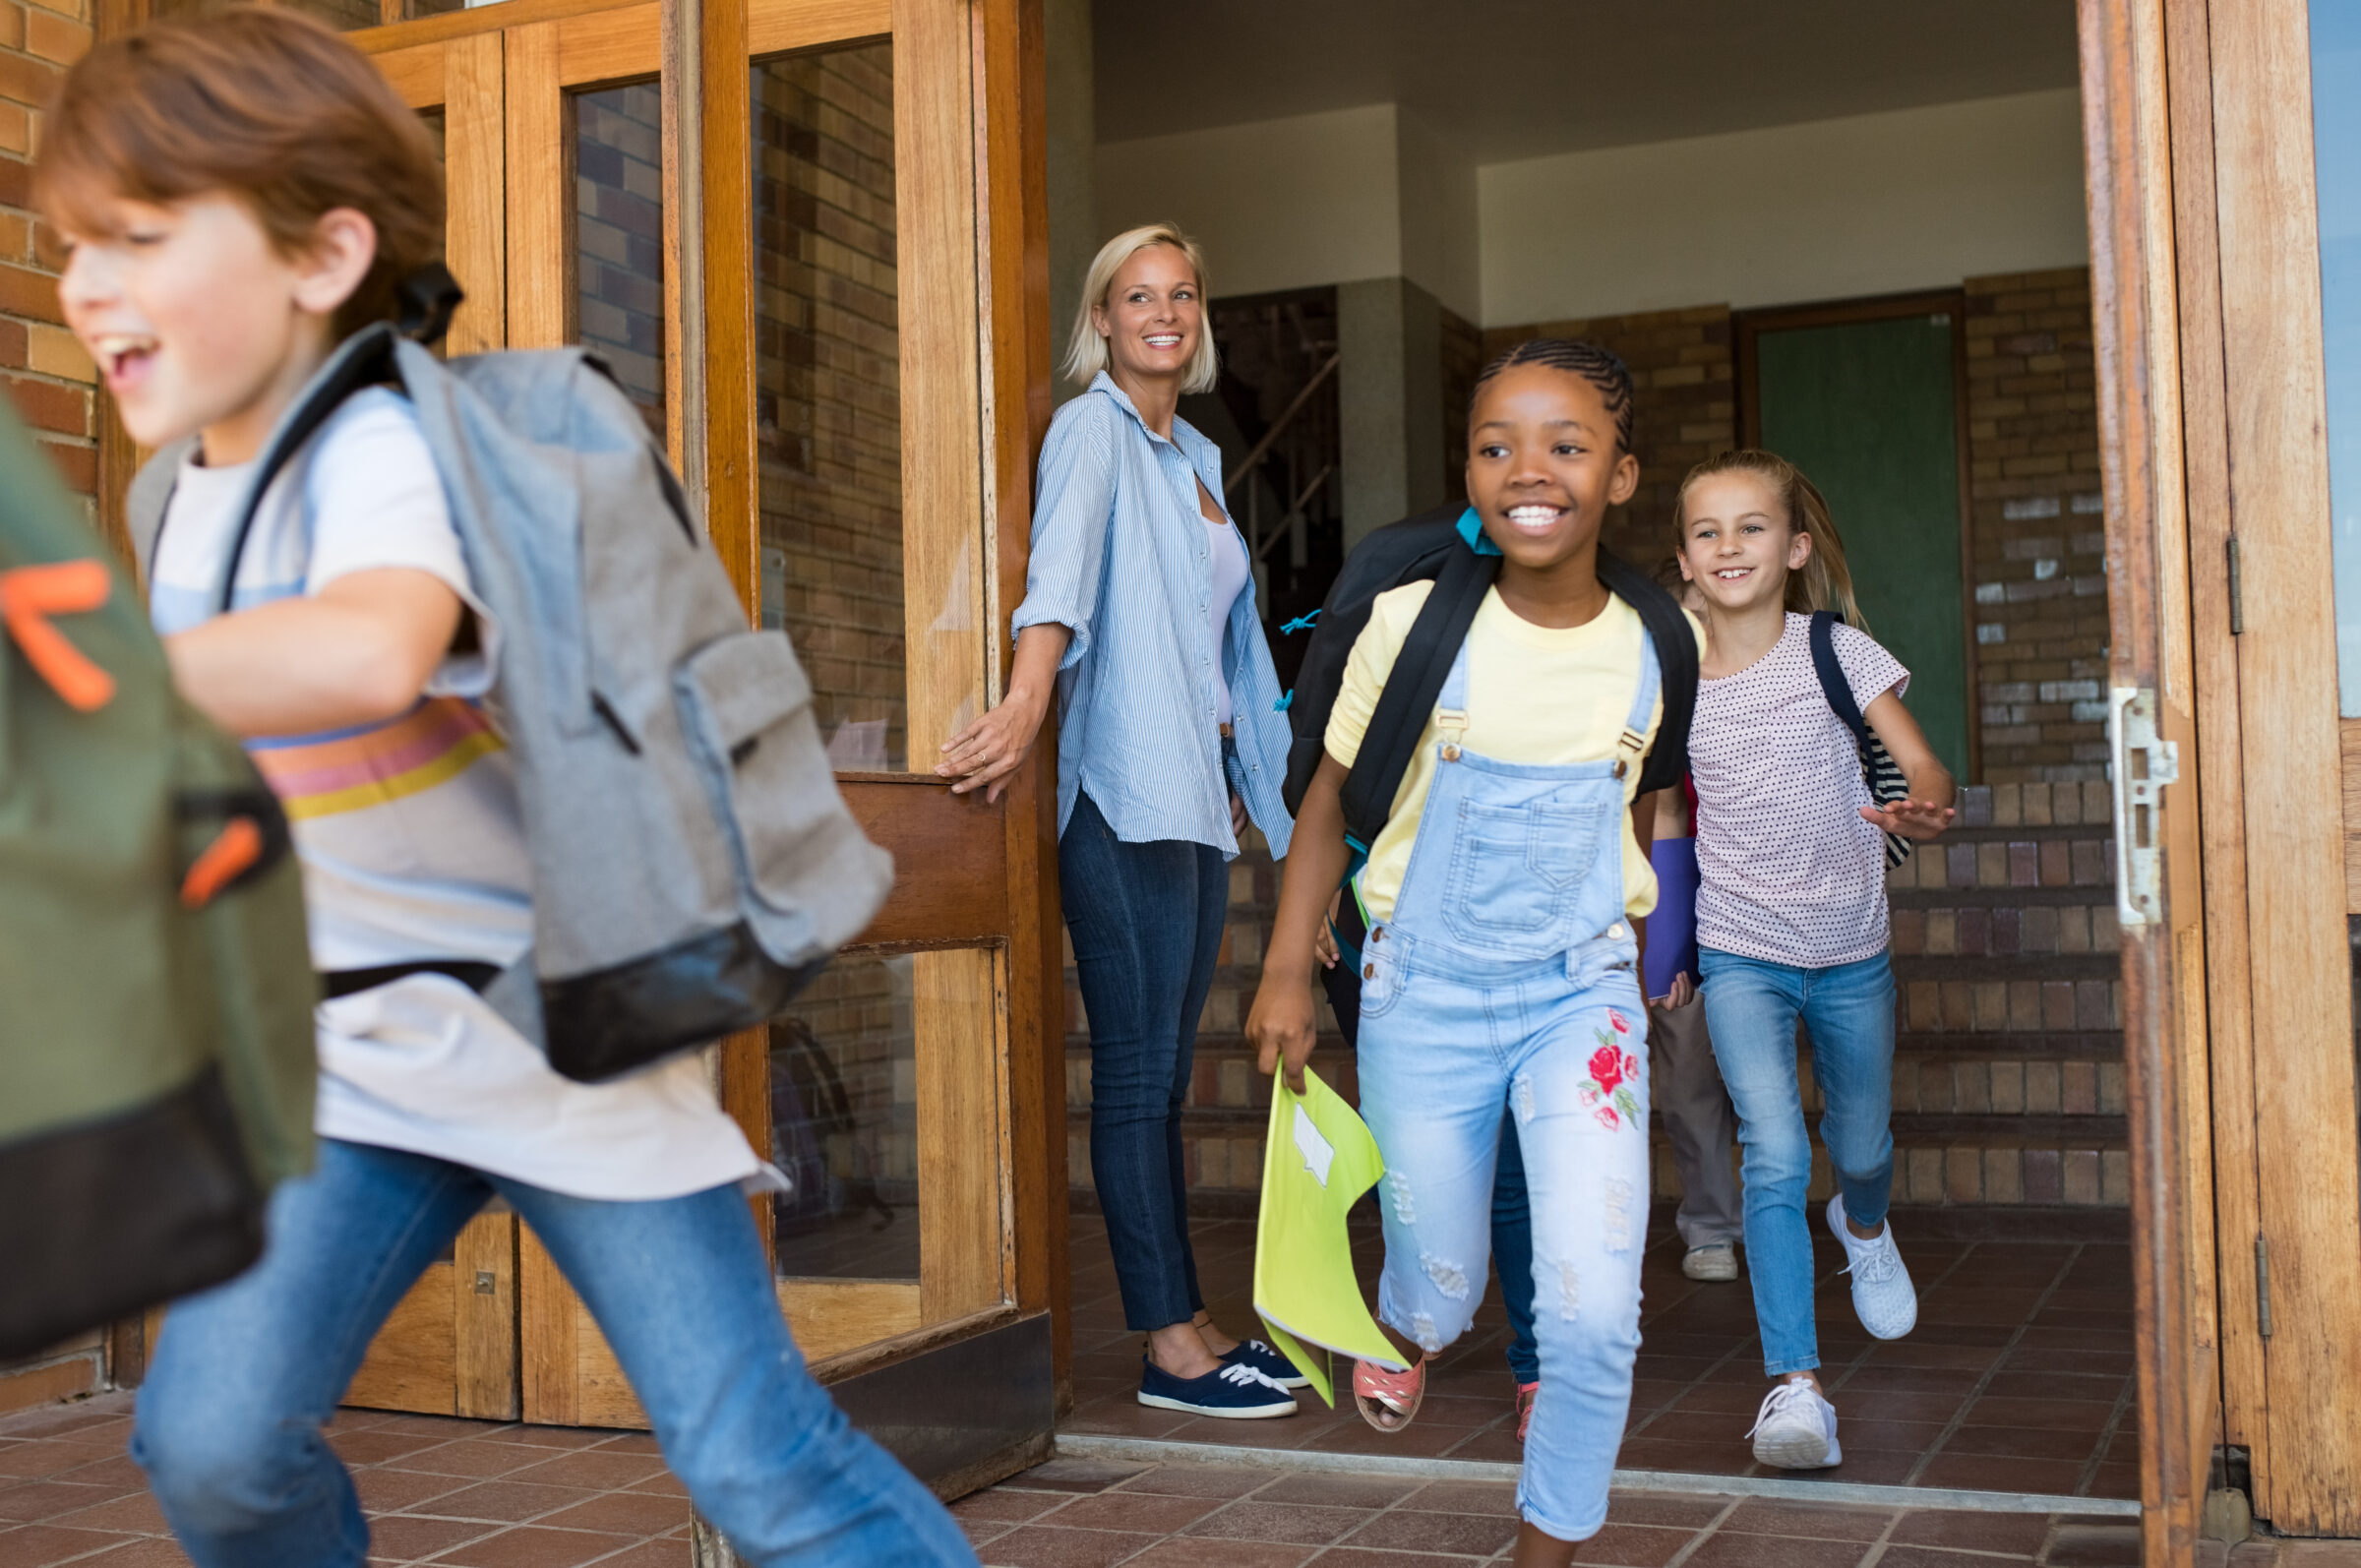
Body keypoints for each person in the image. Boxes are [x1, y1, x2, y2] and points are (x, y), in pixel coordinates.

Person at [38, 14, 975, 1564]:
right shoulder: (171, 494)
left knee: (755, 1462)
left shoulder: (389, 442)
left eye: (136, 238)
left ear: (323, 254)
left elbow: (370, 643)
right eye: (73, 247)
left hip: (559, 1039)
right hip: (347, 1052)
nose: (86, 287)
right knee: (209, 1443)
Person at [1249, 338, 1700, 1564]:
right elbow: (1329, 808)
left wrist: (1656, 945)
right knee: (1440, 1288)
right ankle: (1399, 1319)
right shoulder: (1411, 623)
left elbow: (1645, 803)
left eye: (1566, 446)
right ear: (1468, 470)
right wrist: (1291, 969)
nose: (1528, 471)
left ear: (1620, 476)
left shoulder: (1660, 639)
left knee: (1596, 1312)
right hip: (1422, 991)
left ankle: (1546, 1548)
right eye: (1496, 446)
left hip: (1581, 999)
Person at [936, 222, 1304, 1419]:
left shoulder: (1190, 454)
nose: (1164, 313)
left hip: (1194, 801)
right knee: (1139, 1075)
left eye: (1183, 295)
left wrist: (1280, 818)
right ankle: (1170, 1347)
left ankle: (1189, 1319)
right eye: (1138, 296)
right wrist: (1029, 698)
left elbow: (1228, 650)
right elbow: (1061, 570)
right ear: (1101, 319)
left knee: (1165, 1078)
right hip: (1121, 795)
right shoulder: (1094, 429)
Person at [1672, 449, 1956, 1471]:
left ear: (1792, 549)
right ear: (1685, 558)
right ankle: (1794, 1387)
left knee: (1862, 1146)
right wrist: (1665, 940)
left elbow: (1918, 755)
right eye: (1708, 531)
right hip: (1741, 946)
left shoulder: (1835, 649)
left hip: (1850, 949)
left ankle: (1864, 1224)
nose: (1729, 546)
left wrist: (1926, 791)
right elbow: (1662, 811)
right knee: (1775, 1152)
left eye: (1751, 527)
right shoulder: (1672, 673)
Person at [1485, 564, 1742, 1446]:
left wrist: (1675, 937)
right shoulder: (1612, 682)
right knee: (1600, 1104)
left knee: (1688, 1073)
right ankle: (1585, 1294)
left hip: (1682, 891)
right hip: (1611, 900)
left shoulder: (1718, 687)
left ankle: (1708, 1223)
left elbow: (1693, 819)